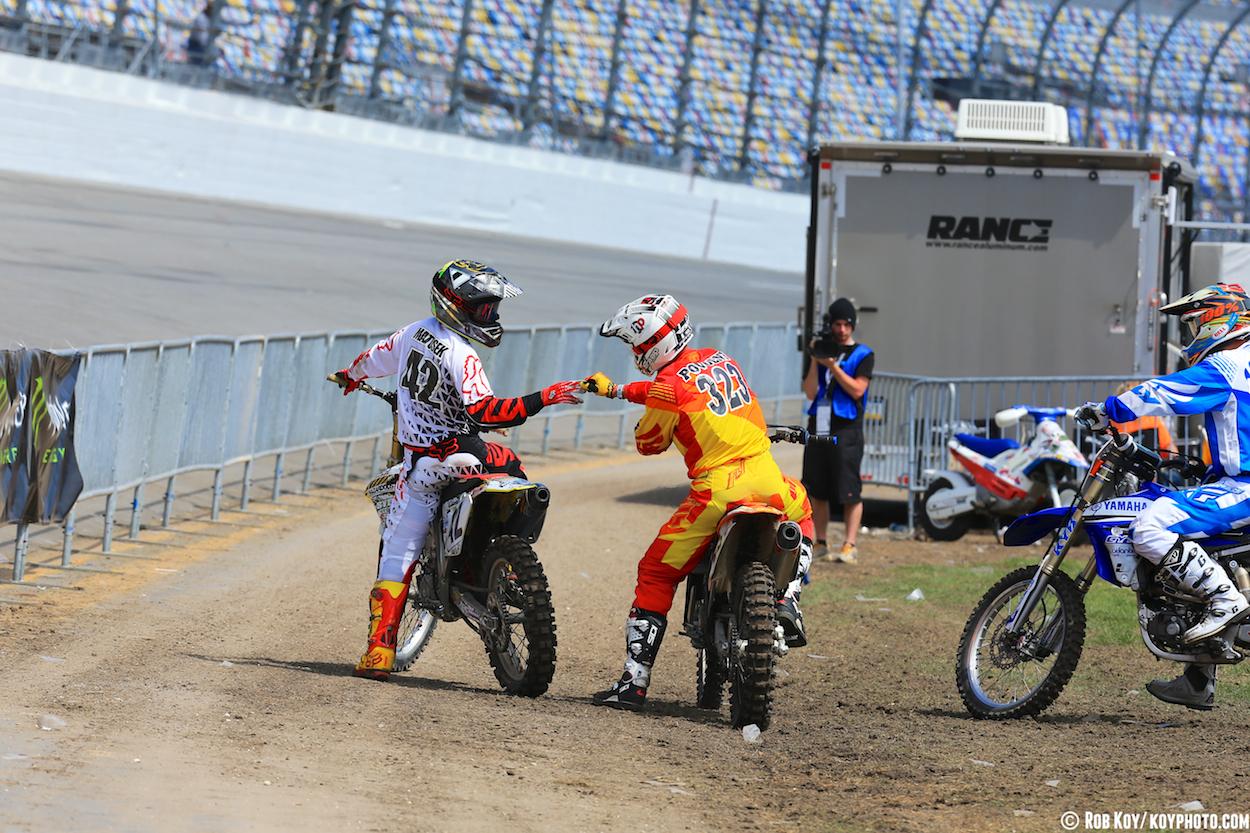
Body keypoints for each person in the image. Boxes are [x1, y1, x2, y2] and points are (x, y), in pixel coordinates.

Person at [335, 259, 583, 681]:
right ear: (456, 305)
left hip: (421, 465)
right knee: (514, 468)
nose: (490, 315)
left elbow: (372, 359)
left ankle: (379, 652)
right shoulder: (462, 356)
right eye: (483, 308)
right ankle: (500, 557)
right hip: (469, 454)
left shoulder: (413, 333)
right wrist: (546, 396)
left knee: (397, 556)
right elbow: (486, 412)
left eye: (492, 308)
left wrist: (349, 376)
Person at [580, 294, 814, 711]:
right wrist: (617, 391)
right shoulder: (720, 359)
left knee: (654, 571)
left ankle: (633, 683)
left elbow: (649, 442)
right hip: (768, 480)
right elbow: (677, 389)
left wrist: (646, 415)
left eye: (635, 345)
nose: (635, 353)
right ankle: (788, 596)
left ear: (652, 344)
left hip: (718, 492)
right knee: (805, 510)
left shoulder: (665, 388)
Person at [1076, 282, 1250, 710]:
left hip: (1243, 488)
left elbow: (1166, 392)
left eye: (1194, 324)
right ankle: (1197, 681)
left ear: (1218, 318)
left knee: (1149, 525)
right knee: (1197, 550)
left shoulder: (1228, 364)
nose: (1191, 337)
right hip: (1234, 482)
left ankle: (1226, 601)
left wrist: (1109, 411)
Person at [801, 298, 873, 564]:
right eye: (837, 324)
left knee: (849, 490)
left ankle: (849, 544)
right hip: (819, 423)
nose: (841, 330)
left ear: (852, 326)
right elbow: (810, 392)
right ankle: (820, 541)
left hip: (846, 427)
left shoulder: (863, 354)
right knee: (817, 487)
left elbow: (857, 389)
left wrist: (832, 366)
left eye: (846, 325)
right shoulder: (822, 352)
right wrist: (814, 360)